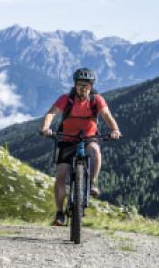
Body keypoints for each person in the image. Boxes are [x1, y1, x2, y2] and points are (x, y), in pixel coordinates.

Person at [41, 67, 122, 226]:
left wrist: (115, 130)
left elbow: (107, 115)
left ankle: (91, 182)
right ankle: (59, 213)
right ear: (75, 85)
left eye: (87, 85)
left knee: (96, 151)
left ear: (91, 86)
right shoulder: (66, 99)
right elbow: (51, 113)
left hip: (89, 138)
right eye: (80, 85)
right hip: (67, 139)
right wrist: (45, 128)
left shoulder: (96, 99)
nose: (83, 88)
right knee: (61, 175)